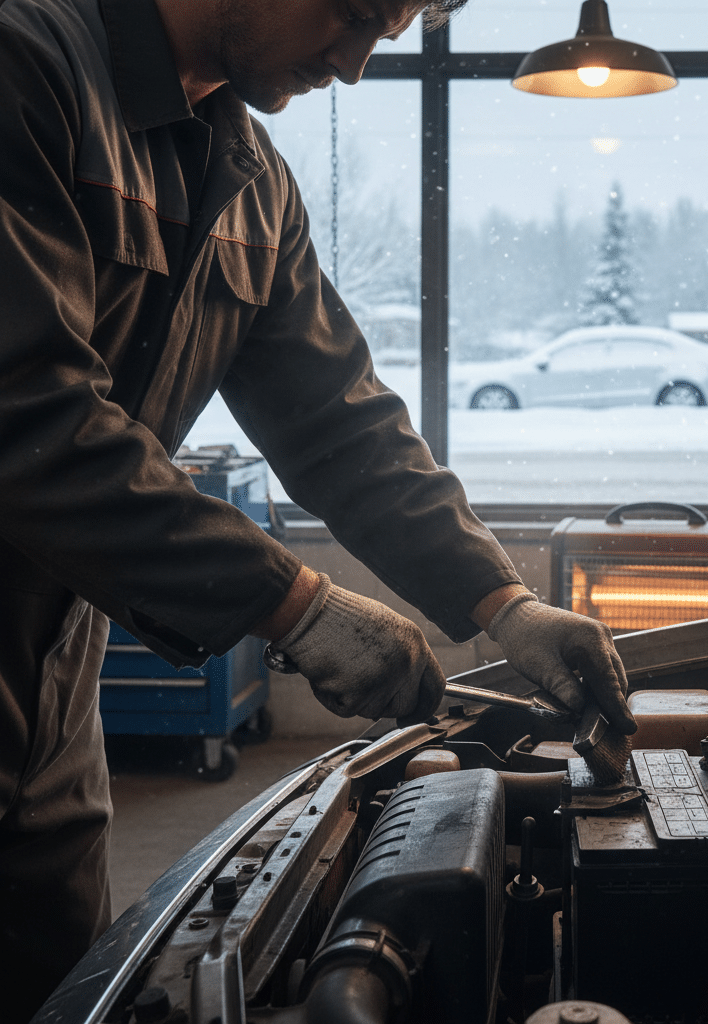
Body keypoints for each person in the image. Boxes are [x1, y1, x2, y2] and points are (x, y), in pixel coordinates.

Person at [0, 0, 636, 1019]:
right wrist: (293, 601)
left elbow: (341, 427)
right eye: (349, 14)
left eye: (381, 33)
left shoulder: (250, 184)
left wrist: (501, 603)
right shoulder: (27, 65)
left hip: (46, 708)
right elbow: (25, 415)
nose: (350, 64)